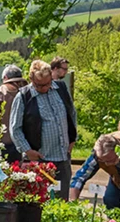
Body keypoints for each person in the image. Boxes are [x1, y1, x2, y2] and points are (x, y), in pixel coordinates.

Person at [10, 59, 79, 187]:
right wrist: (27, 150)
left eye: (48, 83)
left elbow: (72, 113)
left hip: (63, 157)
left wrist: (73, 138)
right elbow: (15, 128)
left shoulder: (61, 88)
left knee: (62, 202)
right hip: (40, 159)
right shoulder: (23, 97)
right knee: (40, 201)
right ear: (31, 80)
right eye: (39, 85)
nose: (44, 88)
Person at [0, 65, 27, 149]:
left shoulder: (0, 92)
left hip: (2, 143)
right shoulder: (27, 92)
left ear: (5, 77)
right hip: (24, 144)